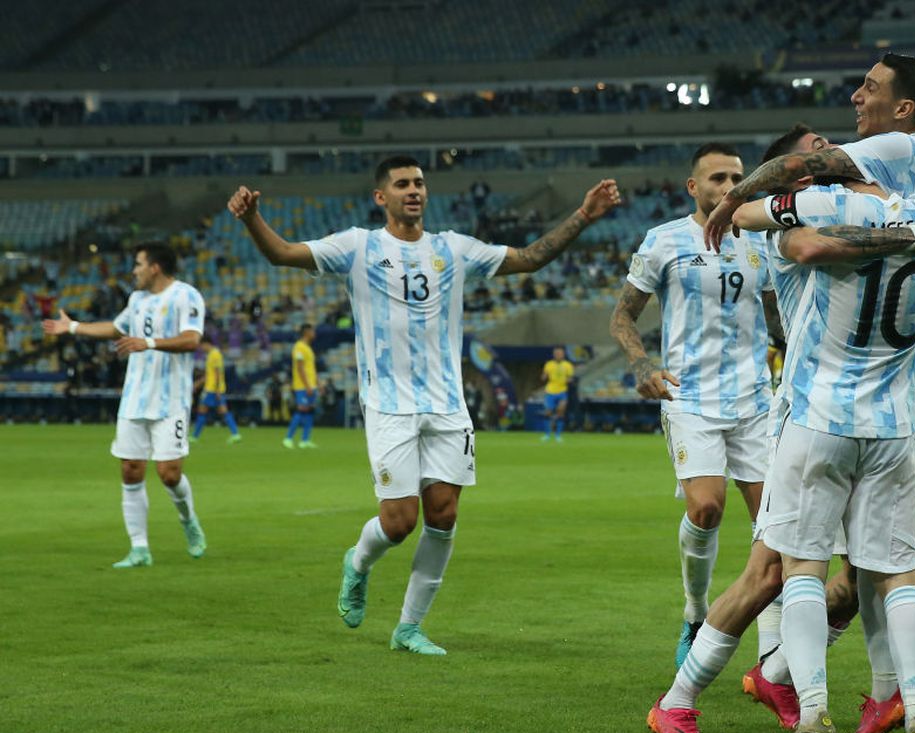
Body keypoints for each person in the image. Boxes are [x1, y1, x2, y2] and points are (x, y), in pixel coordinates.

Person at [646, 161, 915, 733]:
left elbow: (774, 227)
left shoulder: (822, 209)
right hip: (892, 424)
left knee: (798, 572)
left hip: (815, 419)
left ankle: (809, 714)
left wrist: (748, 199)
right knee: (894, 576)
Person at [227, 155, 620, 655]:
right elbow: (282, 253)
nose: (413, 190)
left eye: (418, 183)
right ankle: (358, 562)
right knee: (399, 521)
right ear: (381, 197)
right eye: (401, 184)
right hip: (390, 404)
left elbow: (529, 258)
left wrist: (583, 215)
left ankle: (409, 628)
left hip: (448, 405)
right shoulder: (357, 246)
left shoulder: (453, 248)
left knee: (443, 515)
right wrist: (251, 219)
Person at [610, 142, 782, 669]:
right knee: (706, 508)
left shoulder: (761, 241)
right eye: (717, 178)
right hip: (690, 396)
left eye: (736, 177)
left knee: (775, 530)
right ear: (694, 187)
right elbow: (623, 315)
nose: (729, 186)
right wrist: (643, 365)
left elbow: (778, 319)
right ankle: (696, 611)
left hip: (755, 400)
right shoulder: (664, 240)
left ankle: (771, 657)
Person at [41, 241, 208, 567]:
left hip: (171, 399)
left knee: (169, 474)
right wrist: (73, 326)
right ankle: (139, 548)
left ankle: (188, 520)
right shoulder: (137, 299)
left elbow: (192, 339)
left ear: (155, 267)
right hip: (134, 398)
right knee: (131, 471)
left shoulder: (186, 296)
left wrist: (148, 342)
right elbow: (117, 328)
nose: (134, 271)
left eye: (139, 264)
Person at [191, 333, 242, 443]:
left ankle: (194, 437)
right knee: (223, 411)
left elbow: (218, 373)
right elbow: (209, 374)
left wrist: (218, 390)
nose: (201, 348)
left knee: (202, 411)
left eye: (201, 346)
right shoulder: (210, 354)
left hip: (212, 389)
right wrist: (197, 384)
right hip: (212, 388)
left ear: (206, 343)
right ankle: (235, 434)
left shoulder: (215, 354)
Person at [283, 323, 318, 449]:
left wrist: (317, 383)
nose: (314, 333)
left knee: (310, 411)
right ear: (306, 332)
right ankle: (288, 438)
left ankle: (305, 440)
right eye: (312, 331)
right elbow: (300, 368)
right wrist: (307, 385)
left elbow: (311, 368)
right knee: (301, 409)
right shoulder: (299, 347)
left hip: (311, 385)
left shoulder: (308, 348)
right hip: (302, 386)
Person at [540, 345, 574, 442]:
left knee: (561, 411)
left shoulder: (568, 365)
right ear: (554, 354)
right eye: (556, 353)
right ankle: (547, 435)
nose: (558, 355)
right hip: (550, 391)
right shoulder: (549, 364)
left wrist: (569, 380)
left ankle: (558, 435)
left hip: (562, 391)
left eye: (560, 353)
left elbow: (570, 377)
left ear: (563, 354)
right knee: (548, 412)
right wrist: (543, 377)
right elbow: (543, 376)